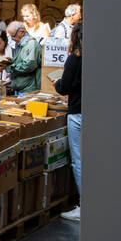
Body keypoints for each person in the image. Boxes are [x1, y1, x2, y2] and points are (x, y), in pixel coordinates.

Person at [54, 21, 82, 222]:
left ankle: (84, 206)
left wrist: (57, 83)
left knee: (79, 160)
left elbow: (65, 87)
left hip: (77, 112)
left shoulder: (74, 59)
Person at [3, 20, 42, 93]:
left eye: (13, 36)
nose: (12, 40)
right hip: (22, 88)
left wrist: (10, 66)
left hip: (30, 90)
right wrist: (9, 62)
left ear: (22, 32)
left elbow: (28, 66)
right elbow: (21, 62)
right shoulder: (22, 44)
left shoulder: (31, 44)